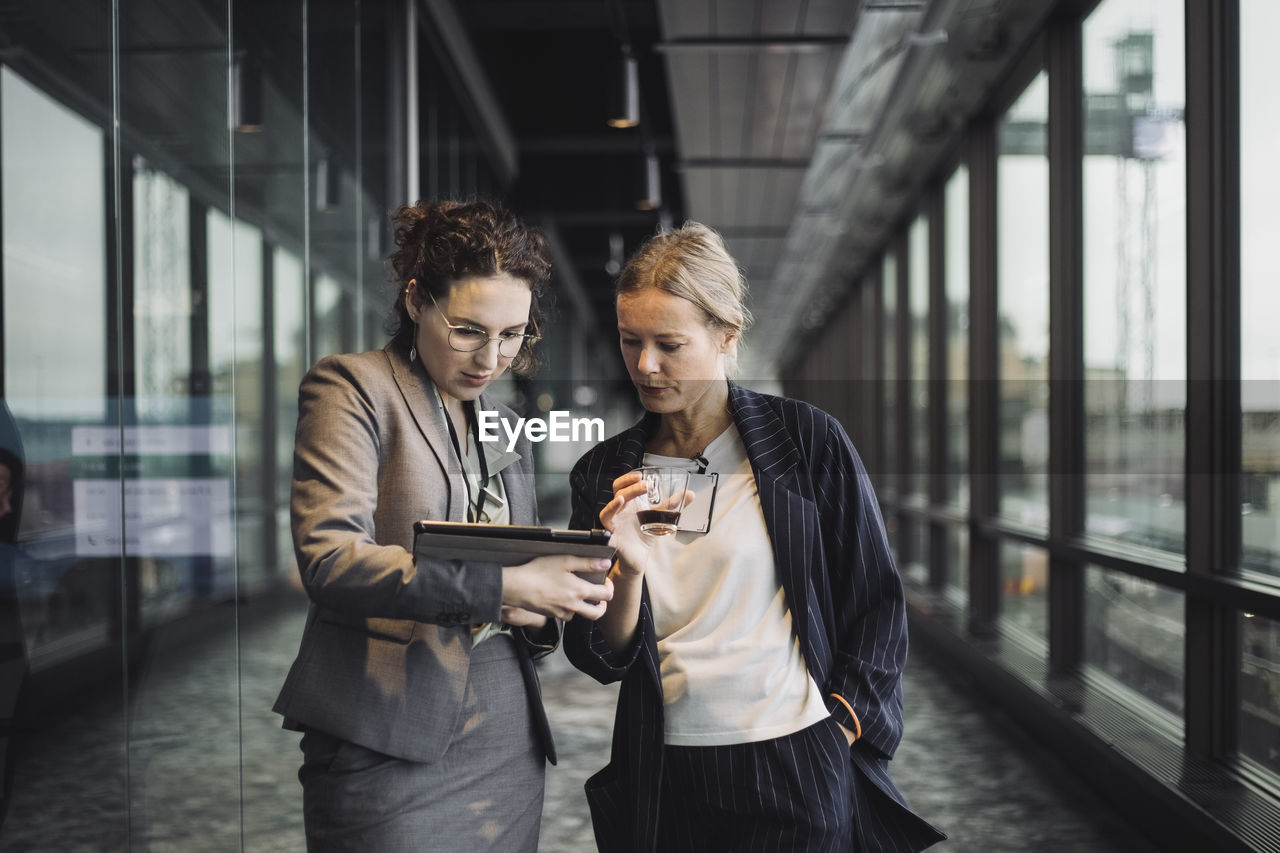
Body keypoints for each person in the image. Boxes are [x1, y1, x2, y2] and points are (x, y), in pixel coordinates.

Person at [564, 223, 945, 852]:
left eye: (669, 343)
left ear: (726, 336)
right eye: (631, 341)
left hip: (793, 757)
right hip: (663, 764)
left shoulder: (806, 442)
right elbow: (600, 655)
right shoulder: (604, 473)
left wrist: (841, 727)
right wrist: (625, 571)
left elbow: (875, 598)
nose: (645, 365)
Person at [273, 199, 614, 852]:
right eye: (467, 330)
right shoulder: (352, 386)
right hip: (385, 724)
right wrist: (506, 589)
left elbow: (520, 556)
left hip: (504, 725)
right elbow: (330, 557)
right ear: (414, 300)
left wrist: (560, 589)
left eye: (512, 334)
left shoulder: (505, 423)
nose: (491, 357)